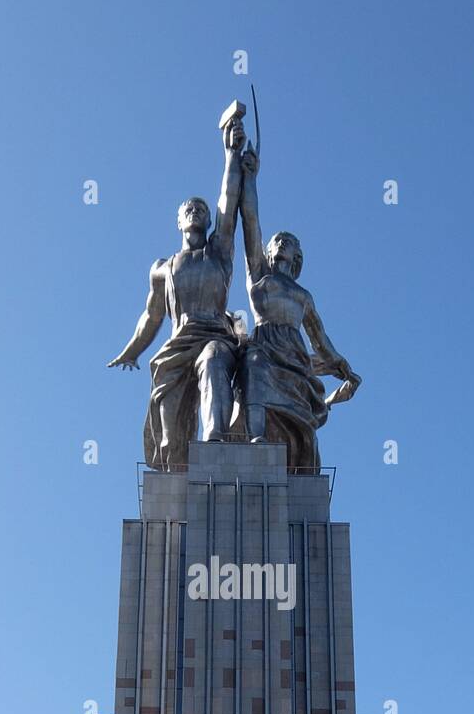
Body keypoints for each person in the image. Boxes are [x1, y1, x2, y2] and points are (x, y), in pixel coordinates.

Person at [108, 112, 246, 472]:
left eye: (201, 209)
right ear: (179, 221)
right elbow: (152, 316)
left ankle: (215, 440)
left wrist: (230, 153)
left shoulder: (219, 251)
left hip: (214, 335)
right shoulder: (162, 267)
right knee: (170, 442)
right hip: (175, 347)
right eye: (189, 209)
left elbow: (228, 199)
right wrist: (131, 351)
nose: (196, 211)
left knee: (215, 358)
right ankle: (177, 477)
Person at [236, 145, 361, 473]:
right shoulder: (259, 275)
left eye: (287, 241)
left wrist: (341, 365)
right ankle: (256, 439)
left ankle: (296, 462)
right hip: (264, 345)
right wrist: (250, 177)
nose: (280, 242)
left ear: (297, 256)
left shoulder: (303, 296)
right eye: (276, 240)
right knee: (254, 367)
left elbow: (320, 339)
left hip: (295, 355)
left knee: (303, 423)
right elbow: (250, 222)